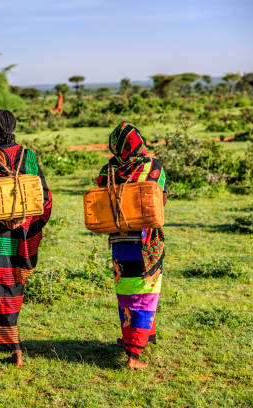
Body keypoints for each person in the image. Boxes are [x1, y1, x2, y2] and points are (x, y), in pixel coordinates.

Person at [0, 110, 53, 366]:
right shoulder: (29, 156)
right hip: (21, 237)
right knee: (13, 288)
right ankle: (14, 347)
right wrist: (28, 224)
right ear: (14, 127)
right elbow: (44, 197)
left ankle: (9, 344)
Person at [96, 122, 167, 369]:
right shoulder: (153, 167)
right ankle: (133, 356)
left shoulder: (108, 170)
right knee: (145, 296)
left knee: (126, 295)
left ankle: (135, 340)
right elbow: (161, 200)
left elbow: (101, 199)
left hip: (119, 241)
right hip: (146, 242)